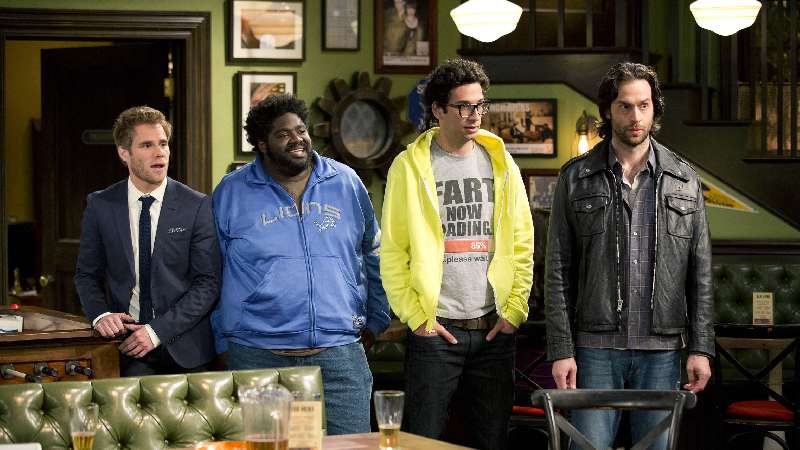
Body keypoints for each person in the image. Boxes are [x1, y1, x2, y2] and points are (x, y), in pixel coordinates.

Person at [545, 62, 714, 450]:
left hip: (662, 351)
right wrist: (562, 349)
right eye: (625, 106)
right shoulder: (575, 177)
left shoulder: (684, 178)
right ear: (608, 110)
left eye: (643, 105)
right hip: (595, 348)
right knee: (588, 447)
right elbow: (557, 270)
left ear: (655, 108)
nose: (635, 117)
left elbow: (701, 272)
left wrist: (701, 348)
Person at [211, 93, 390, 435]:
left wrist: (376, 319)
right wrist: (222, 342)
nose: (297, 139)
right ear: (262, 144)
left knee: (351, 446)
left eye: (301, 130)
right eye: (283, 134)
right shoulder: (232, 192)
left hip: (339, 354)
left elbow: (373, 252)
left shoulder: (346, 182)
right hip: (257, 353)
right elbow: (213, 270)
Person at [380, 58, 534, 450]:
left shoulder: (501, 161)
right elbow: (393, 251)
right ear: (438, 109)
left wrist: (514, 310)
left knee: (492, 441)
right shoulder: (408, 166)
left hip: (493, 331)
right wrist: (417, 319)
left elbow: (522, 241)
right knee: (421, 442)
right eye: (464, 106)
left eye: (480, 105)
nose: (474, 115)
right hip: (436, 332)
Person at [74, 106, 220, 376]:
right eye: (146, 145)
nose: (159, 152)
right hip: (125, 345)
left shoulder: (197, 205)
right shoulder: (101, 205)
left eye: (163, 144)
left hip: (186, 347)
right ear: (124, 153)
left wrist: (156, 332)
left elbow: (207, 283)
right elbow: (86, 274)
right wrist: (101, 315)